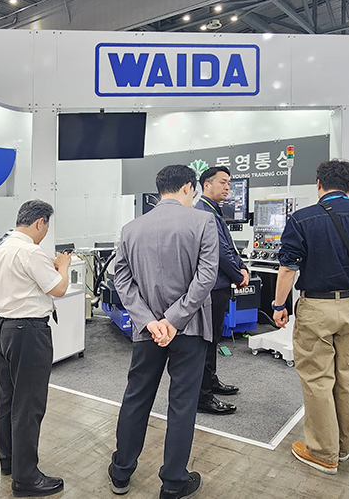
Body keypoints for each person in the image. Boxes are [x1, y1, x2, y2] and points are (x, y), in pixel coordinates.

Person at [108, 164, 219, 499]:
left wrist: (149, 320)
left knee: (136, 397)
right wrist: (174, 319)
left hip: (148, 331)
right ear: (187, 187)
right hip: (190, 328)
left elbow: (121, 279)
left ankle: (121, 472)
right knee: (182, 404)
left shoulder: (131, 228)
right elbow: (207, 276)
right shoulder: (203, 222)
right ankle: (173, 482)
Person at [272, 160, 349, 474]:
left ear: (318, 183)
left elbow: (288, 268)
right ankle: (345, 444)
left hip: (316, 308)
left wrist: (279, 306)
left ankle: (323, 451)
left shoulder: (302, 218)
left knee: (317, 378)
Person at [0, 199, 72, 497]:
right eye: (46, 226)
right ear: (40, 222)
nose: (45, 232)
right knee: (29, 404)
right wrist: (64, 267)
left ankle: (9, 461)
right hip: (29, 333)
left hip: (3, 328)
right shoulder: (31, 252)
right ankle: (26, 478)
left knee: (7, 399)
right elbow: (59, 289)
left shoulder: (1, 249)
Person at [195, 166, 249, 416]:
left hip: (219, 285)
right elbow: (219, 252)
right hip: (211, 287)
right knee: (207, 340)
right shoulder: (203, 212)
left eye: (229, 183)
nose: (227, 187)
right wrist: (239, 275)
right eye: (223, 182)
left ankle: (211, 381)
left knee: (214, 337)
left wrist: (242, 267)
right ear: (206, 184)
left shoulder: (214, 210)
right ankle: (203, 396)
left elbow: (229, 248)